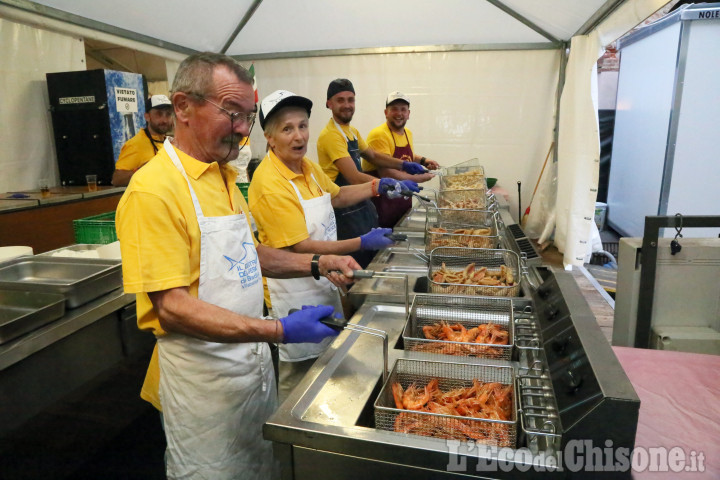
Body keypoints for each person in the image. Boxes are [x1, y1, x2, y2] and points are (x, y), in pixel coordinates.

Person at [115, 52, 360, 480]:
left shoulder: (224, 177)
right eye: (233, 113)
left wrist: (318, 263)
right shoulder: (155, 191)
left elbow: (250, 253)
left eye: (248, 116)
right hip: (203, 385)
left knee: (260, 467)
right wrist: (279, 330)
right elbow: (171, 306)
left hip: (249, 369)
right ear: (183, 107)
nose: (244, 129)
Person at [249, 90, 416, 401]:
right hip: (296, 296)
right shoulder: (269, 183)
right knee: (300, 387)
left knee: (329, 380)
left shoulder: (307, 168)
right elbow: (300, 248)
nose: (298, 136)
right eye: (287, 129)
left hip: (325, 281)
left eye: (302, 126)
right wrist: (361, 242)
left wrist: (378, 185)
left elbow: (337, 195)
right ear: (269, 138)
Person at [317, 78, 426, 267]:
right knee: (354, 265)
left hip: (361, 208)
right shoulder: (331, 136)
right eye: (340, 100)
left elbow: (373, 155)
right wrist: (392, 184)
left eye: (350, 100)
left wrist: (404, 165)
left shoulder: (351, 132)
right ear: (329, 103)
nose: (347, 105)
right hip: (344, 212)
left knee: (372, 261)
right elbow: (353, 177)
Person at [365, 91, 440, 227]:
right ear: (386, 112)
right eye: (394, 109)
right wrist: (419, 179)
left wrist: (423, 160)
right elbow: (386, 173)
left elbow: (408, 156)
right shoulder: (379, 134)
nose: (399, 113)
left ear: (408, 114)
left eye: (403, 109)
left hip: (402, 201)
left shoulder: (407, 133)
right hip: (382, 204)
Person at [111, 94, 173, 186]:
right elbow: (117, 180)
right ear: (147, 117)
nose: (164, 120)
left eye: (168, 114)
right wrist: (143, 169)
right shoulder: (135, 144)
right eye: (159, 114)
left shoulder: (171, 142)